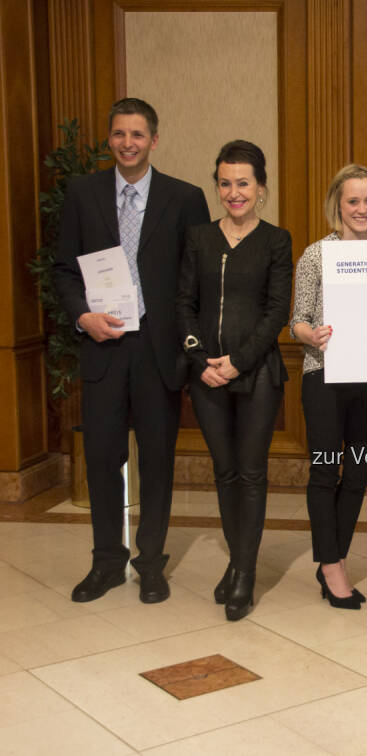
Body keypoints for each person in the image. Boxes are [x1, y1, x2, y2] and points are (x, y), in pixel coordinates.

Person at [53, 98, 210, 604]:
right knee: (101, 457)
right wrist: (83, 316)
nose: (127, 144)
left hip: (159, 352)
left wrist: (192, 349)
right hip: (104, 348)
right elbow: (63, 271)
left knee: (158, 461)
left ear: (154, 140)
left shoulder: (185, 198)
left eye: (137, 135)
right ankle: (106, 562)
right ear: (110, 139)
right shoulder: (82, 192)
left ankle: (151, 562)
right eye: (119, 134)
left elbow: (196, 282)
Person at [177, 140, 292, 621]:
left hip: (258, 373)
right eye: (225, 183)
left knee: (250, 473)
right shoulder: (199, 238)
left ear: (260, 187)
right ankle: (239, 561)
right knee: (223, 473)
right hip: (205, 374)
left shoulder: (276, 240)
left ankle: (243, 574)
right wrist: (201, 358)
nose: (234, 192)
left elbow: (276, 312)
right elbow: (183, 303)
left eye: (243, 183)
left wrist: (237, 362)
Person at [290, 164, 367, 610]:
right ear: (338, 204)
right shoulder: (316, 255)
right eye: (353, 201)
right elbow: (297, 321)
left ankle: (334, 555)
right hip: (324, 376)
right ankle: (331, 566)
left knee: (361, 472)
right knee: (327, 470)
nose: (362, 209)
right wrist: (310, 335)